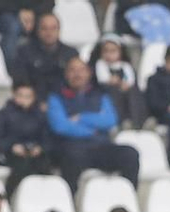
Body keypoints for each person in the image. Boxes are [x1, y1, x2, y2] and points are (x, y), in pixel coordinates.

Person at [48, 57, 140, 192]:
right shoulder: (56, 97)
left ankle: (127, 197)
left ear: (88, 73)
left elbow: (110, 120)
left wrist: (81, 117)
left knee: (130, 154)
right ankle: (70, 201)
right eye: (72, 70)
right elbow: (61, 126)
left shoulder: (101, 95)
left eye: (81, 70)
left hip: (101, 146)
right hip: (73, 147)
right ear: (66, 74)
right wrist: (91, 130)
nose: (77, 74)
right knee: (71, 157)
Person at [0, 82, 54, 197]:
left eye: (28, 96)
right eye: (20, 95)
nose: (24, 100)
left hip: (36, 155)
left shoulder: (40, 116)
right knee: (22, 166)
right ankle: (8, 197)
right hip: (10, 155)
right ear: (14, 95)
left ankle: (45, 197)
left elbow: (48, 139)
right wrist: (12, 147)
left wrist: (40, 148)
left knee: (44, 165)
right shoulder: (4, 114)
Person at [11, 12, 78, 101]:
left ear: (59, 30)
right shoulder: (24, 52)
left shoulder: (71, 53)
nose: (49, 32)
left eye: (53, 28)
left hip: (64, 102)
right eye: (44, 28)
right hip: (33, 103)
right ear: (38, 31)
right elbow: (20, 81)